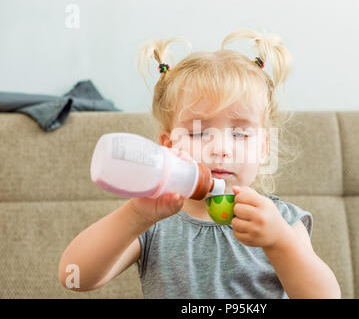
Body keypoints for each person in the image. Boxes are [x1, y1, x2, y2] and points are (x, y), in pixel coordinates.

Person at [58, 28, 341, 299]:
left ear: (264, 147)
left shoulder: (282, 220)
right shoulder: (155, 222)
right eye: (198, 132)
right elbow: (74, 278)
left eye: (240, 133)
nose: (220, 149)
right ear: (168, 146)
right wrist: (135, 215)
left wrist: (279, 240)